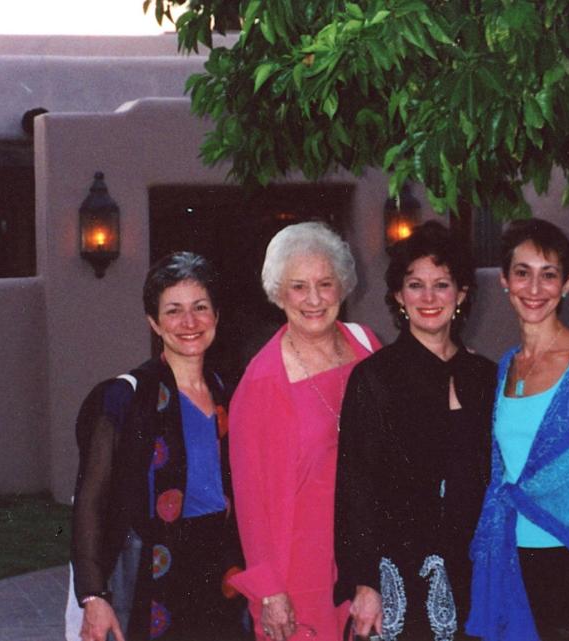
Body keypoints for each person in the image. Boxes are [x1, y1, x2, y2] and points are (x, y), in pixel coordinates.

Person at [466, 218, 569, 641]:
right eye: (522, 273)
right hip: (510, 558)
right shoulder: (506, 367)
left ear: (568, 283)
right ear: (505, 281)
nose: (534, 289)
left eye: (549, 275)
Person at [335, 220, 497, 641]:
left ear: (461, 295)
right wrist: (365, 582)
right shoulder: (374, 378)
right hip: (398, 574)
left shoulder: (486, 377)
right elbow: (356, 487)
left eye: (441, 285)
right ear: (398, 296)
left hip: (476, 570)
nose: (428, 298)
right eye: (415, 285)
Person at [71, 251, 241, 641]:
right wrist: (93, 595)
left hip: (222, 574)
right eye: (173, 311)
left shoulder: (229, 395)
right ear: (154, 322)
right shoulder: (123, 399)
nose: (189, 323)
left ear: (216, 316)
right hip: (154, 572)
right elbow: (91, 501)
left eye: (200, 307)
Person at [228, 221, 382, 641]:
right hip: (300, 570)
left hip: (368, 559)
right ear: (279, 293)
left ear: (343, 287)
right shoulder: (262, 381)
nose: (314, 299)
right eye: (298, 286)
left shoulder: (367, 345)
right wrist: (270, 591)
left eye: (325, 283)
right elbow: (249, 498)